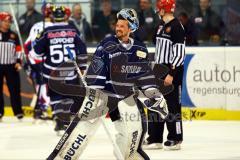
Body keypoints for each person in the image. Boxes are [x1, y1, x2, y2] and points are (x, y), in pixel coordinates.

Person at [47, 8, 168, 160]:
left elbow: (143, 76)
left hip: (125, 96)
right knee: (82, 128)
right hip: (102, 93)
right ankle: (61, 158)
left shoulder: (140, 48)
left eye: (122, 26)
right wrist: (94, 85)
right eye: (117, 25)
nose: (118, 28)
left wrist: (153, 93)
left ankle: (131, 157)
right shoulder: (107, 43)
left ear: (131, 28)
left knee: (133, 131)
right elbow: (96, 68)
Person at [30, 5, 88, 133]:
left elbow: (35, 53)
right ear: (66, 16)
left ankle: (58, 119)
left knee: (56, 97)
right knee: (68, 96)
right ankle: (65, 120)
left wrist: (42, 48)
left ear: (52, 16)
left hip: (52, 72)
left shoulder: (46, 32)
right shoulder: (73, 31)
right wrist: (82, 66)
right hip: (69, 72)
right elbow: (82, 49)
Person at [144, 0, 185, 150]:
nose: (157, 11)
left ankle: (175, 138)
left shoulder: (177, 27)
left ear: (164, 9)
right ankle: (155, 138)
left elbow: (179, 54)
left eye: (159, 9)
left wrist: (171, 74)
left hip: (171, 70)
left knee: (172, 106)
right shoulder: (161, 25)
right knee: (154, 103)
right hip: (158, 69)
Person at [24, 3, 54, 119]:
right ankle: (44, 108)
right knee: (48, 84)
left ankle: (39, 108)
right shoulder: (54, 26)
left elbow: (27, 45)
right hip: (46, 60)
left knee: (41, 84)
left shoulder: (35, 25)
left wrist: (29, 59)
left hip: (34, 60)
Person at [0, 12, 23, 121]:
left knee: (15, 89)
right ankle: (0, 112)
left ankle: (18, 112)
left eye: (9, 22)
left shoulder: (13, 35)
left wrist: (19, 61)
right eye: (5, 21)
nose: (7, 23)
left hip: (11, 65)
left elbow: (19, 50)